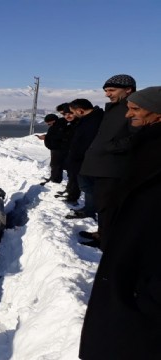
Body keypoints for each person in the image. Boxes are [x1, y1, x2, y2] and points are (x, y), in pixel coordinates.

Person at [79, 86, 161, 359]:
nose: (128, 115)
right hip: (132, 249)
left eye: (135, 109)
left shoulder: (152, 149)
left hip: (147, 261)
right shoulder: (145, 142)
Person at [75, 75, 136, 247]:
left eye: (111, 90)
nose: (107, 95)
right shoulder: (115, 107)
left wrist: (111, 147)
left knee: (108, 207)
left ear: (128, 89)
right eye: (106, 91)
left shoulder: (133, 107)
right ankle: (103, 233)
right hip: (102, 166)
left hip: (113, 167)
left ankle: (107, 243)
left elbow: (136, 136)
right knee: (102, 204)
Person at [63, 99, 103, 209]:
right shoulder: (90, 119)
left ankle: (90, 210)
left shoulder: (92, 122)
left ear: (80, 111)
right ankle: (89, 209)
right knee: (87, 186)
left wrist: (74, 158)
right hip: (83, 160)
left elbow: (85, 143)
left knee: (88, 186)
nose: (73, 115)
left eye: (73, 112)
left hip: (85, 161)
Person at [37, 113, 68, 184]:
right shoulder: (57, 126)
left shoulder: (60, 126)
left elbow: (59, 137)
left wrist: (46, 137)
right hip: (55, 149)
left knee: (56, 165)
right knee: (54, 165)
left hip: (58, 149)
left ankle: (55, 181)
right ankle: (53, 178)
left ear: (53, 121)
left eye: (49, 123)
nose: (48, 125)